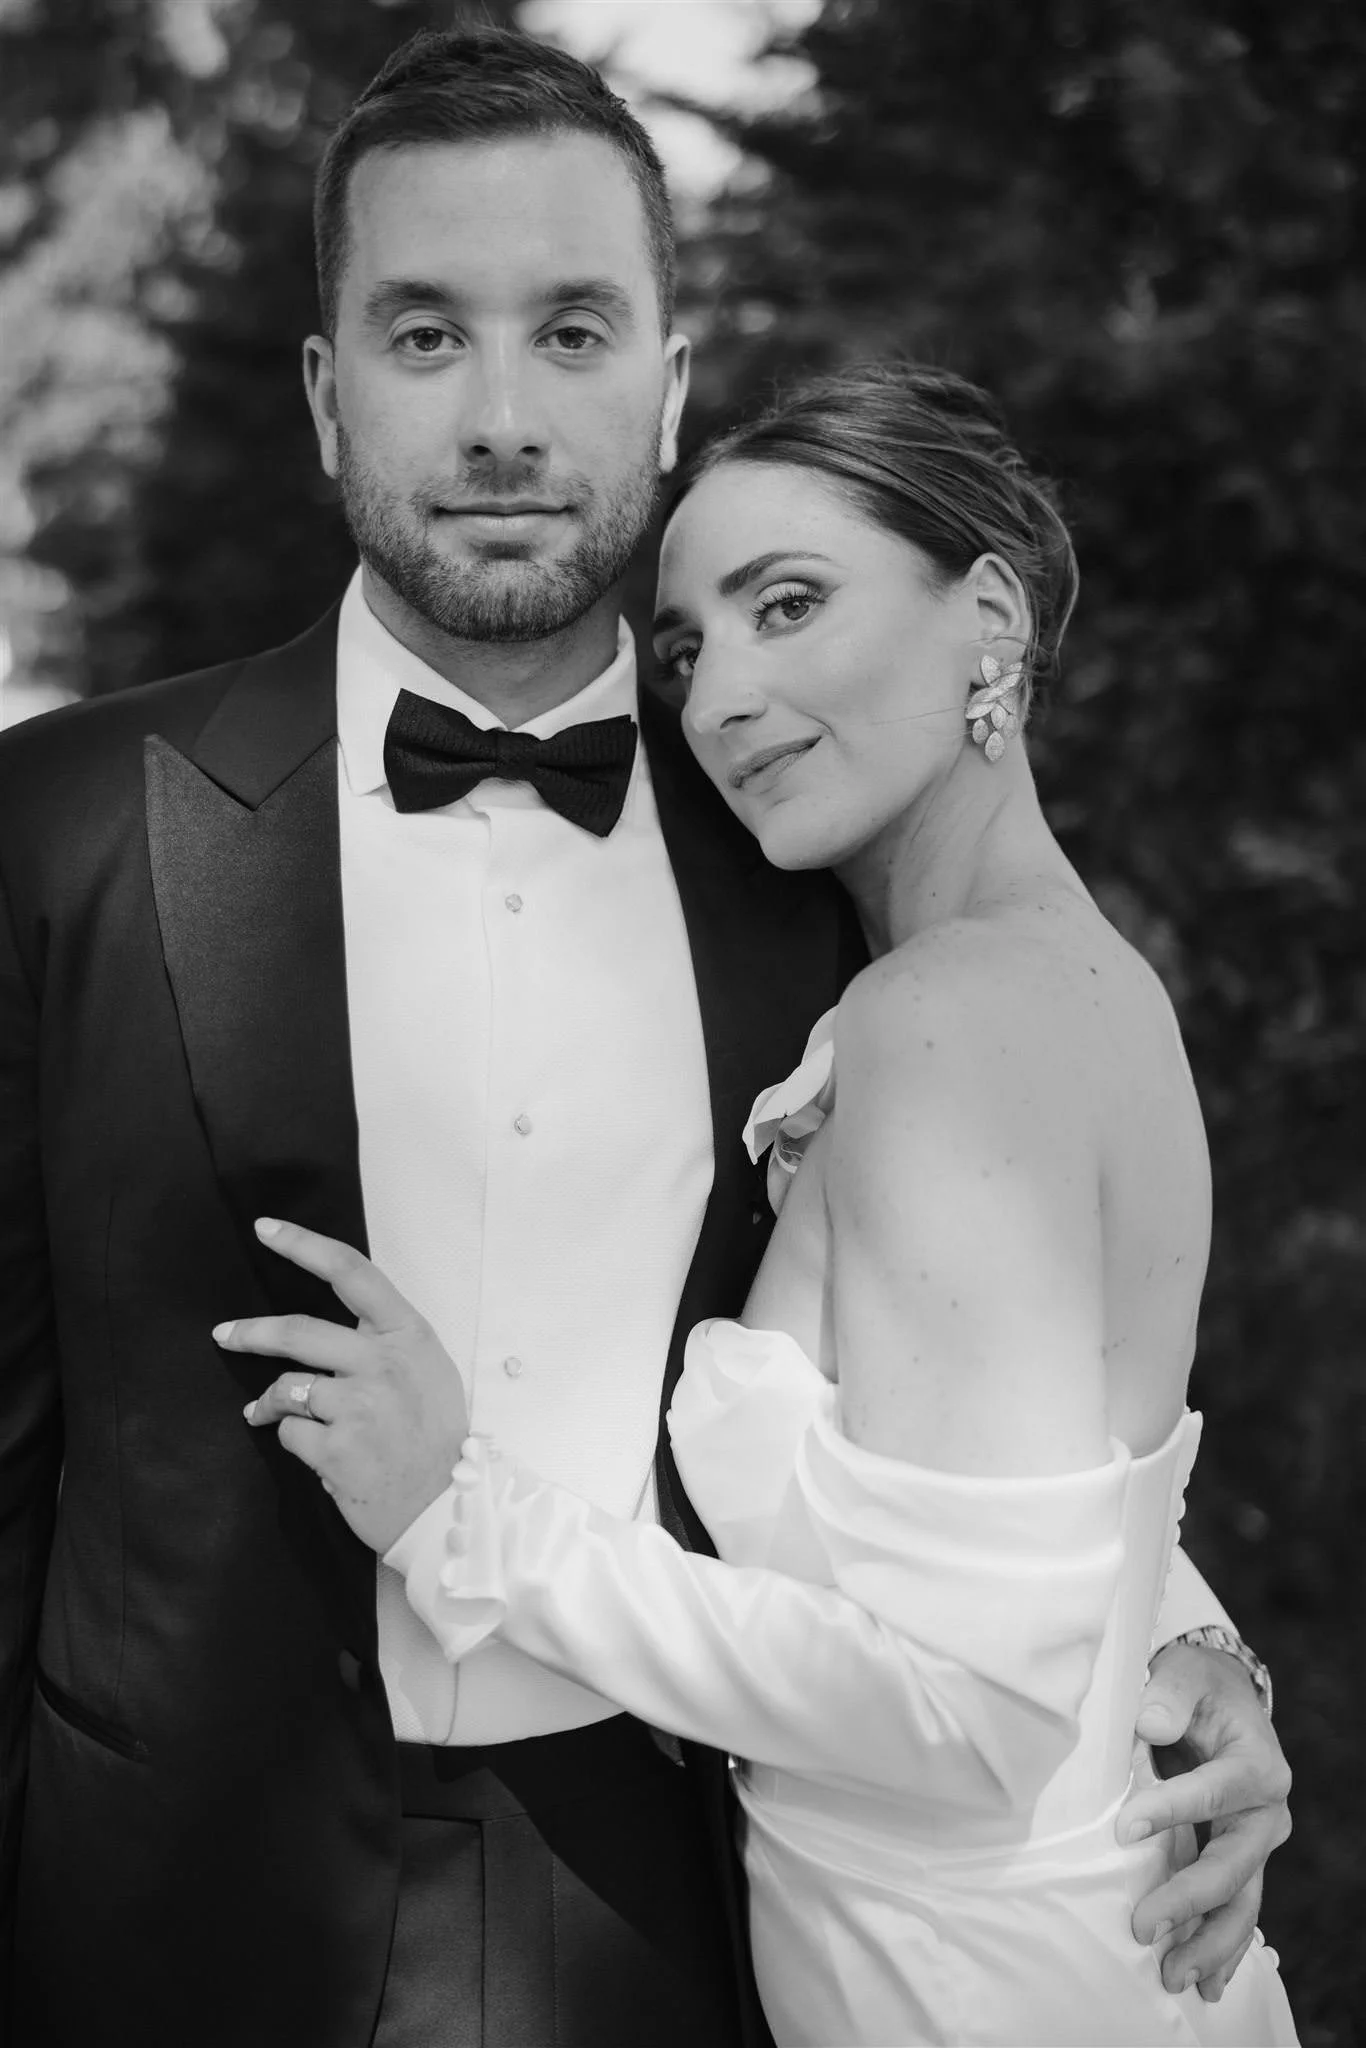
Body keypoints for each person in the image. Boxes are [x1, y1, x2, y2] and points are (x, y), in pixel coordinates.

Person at [0, 25, 1287, 2048]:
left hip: (678, 1931)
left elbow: (966, 1350)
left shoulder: (812, 859)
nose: (503, 415)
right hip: (163, 1928)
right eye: (426, 338)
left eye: (573, 332)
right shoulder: (60, 827)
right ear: (329, 395)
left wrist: (1182, 1642)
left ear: (670, 389)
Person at [226, 362, 1301, 2045]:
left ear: (991, 623)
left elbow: (966, 1710)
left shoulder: (946, 1023)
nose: (720, 696)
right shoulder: (1062, 983)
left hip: (966, 1992)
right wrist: (1205, 1654)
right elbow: (1057, 1478)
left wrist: (459, 1512)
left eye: (787, 607)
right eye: (685, 646)